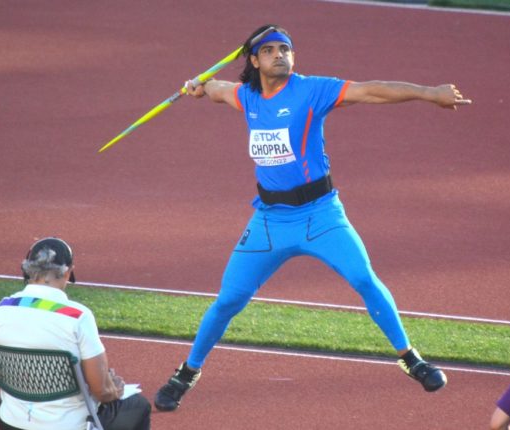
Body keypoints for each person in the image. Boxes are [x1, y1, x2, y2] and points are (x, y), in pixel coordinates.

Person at [154, 24, 472, 412]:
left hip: (321, 215)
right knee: (228, 300)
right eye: (269, 50)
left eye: (285, 49)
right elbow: (219, 90)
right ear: (254, 61)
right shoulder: (248, 96)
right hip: (270, 221)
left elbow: (371, 89)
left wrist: (429, 94)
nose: (279, 55)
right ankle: (187, 371)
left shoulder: (311, 90)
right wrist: (198, 86)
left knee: (363, 278)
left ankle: (410, 358)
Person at [0, 237, 152, 430]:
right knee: (139, 406)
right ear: (67, 272)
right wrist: (113, 389)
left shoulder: (2, 308)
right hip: (67, 424)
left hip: (11, 421)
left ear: (28, 270)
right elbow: (102, 391)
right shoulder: (77, 316)